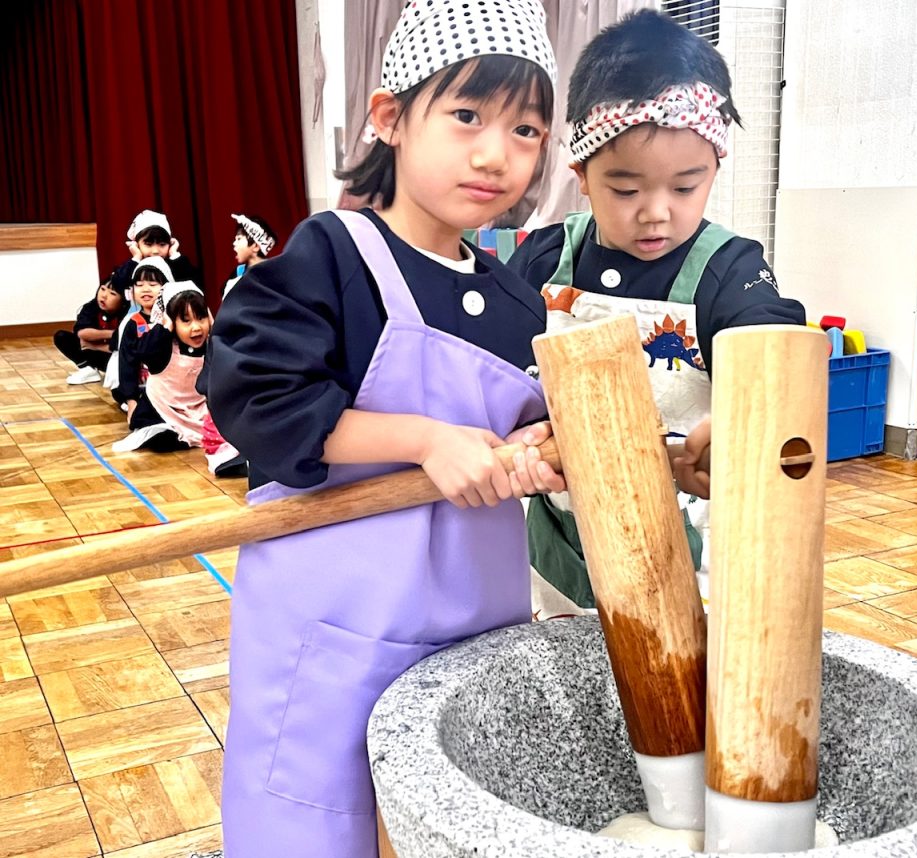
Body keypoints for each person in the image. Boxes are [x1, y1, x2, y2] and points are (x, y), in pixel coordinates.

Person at [204, 1, 562, 854]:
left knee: (452, 820)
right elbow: (258, 398)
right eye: (467, 115)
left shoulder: (518, 300)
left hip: (475, 619)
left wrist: (544, 448)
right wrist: (426, 441)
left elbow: (534, 426)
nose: (495, 153)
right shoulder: (331, 255)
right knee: (315, 824)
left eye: (525, 129)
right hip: (332, 624)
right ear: (391, 117)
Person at [507, 9, 806, 617]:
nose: (656, 212)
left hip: (682, 537)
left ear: (715, 167)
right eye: (626, 189)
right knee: (558, 651)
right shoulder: (544, 258)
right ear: (581, 175)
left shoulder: (728, 270)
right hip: (558, 531)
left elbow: (774, 351)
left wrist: (744, 419)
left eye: (685, 186)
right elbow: (492, 366)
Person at [137, 281, 246, 476]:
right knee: (161, 438)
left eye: (201, 318)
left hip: (200, 408)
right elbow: (143, 352)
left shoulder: (213, 344)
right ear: (172, 322)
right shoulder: (163, 345)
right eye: (186, 321)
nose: (196, 327)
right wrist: (164, 327)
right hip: (165, 409)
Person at [110, 257, 186, 453]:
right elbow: (127, 364)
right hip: (145, 389)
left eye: (153, 284)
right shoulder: (133, 323)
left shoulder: (175, 319)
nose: (145, 289)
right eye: (139, 284)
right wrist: (131, 400)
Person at [111, 209, 202, 298]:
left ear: (170, 244)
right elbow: (118, 285)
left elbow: (196, 285)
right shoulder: (131, 268)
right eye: (148, 244)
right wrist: (136, 258)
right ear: (136, 244)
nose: (155, 251)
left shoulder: (176, 266)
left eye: (162, 244)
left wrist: (174, 255)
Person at [53, 274, 127, 384]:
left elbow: (126, 345)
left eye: (112, 293)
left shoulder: (128, 313)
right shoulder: (91, 307)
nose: (104, 296)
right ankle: (87, 369)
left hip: (116, 359)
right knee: (61, 336)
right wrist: (115, 334)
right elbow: (83, 333)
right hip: (94, 353)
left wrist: (94, 346)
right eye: (102, 289)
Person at [222, 213, 277, 298]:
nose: (234, 243)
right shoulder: (238, 274)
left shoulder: (274, 274)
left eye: (239, 239)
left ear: (256, 246)